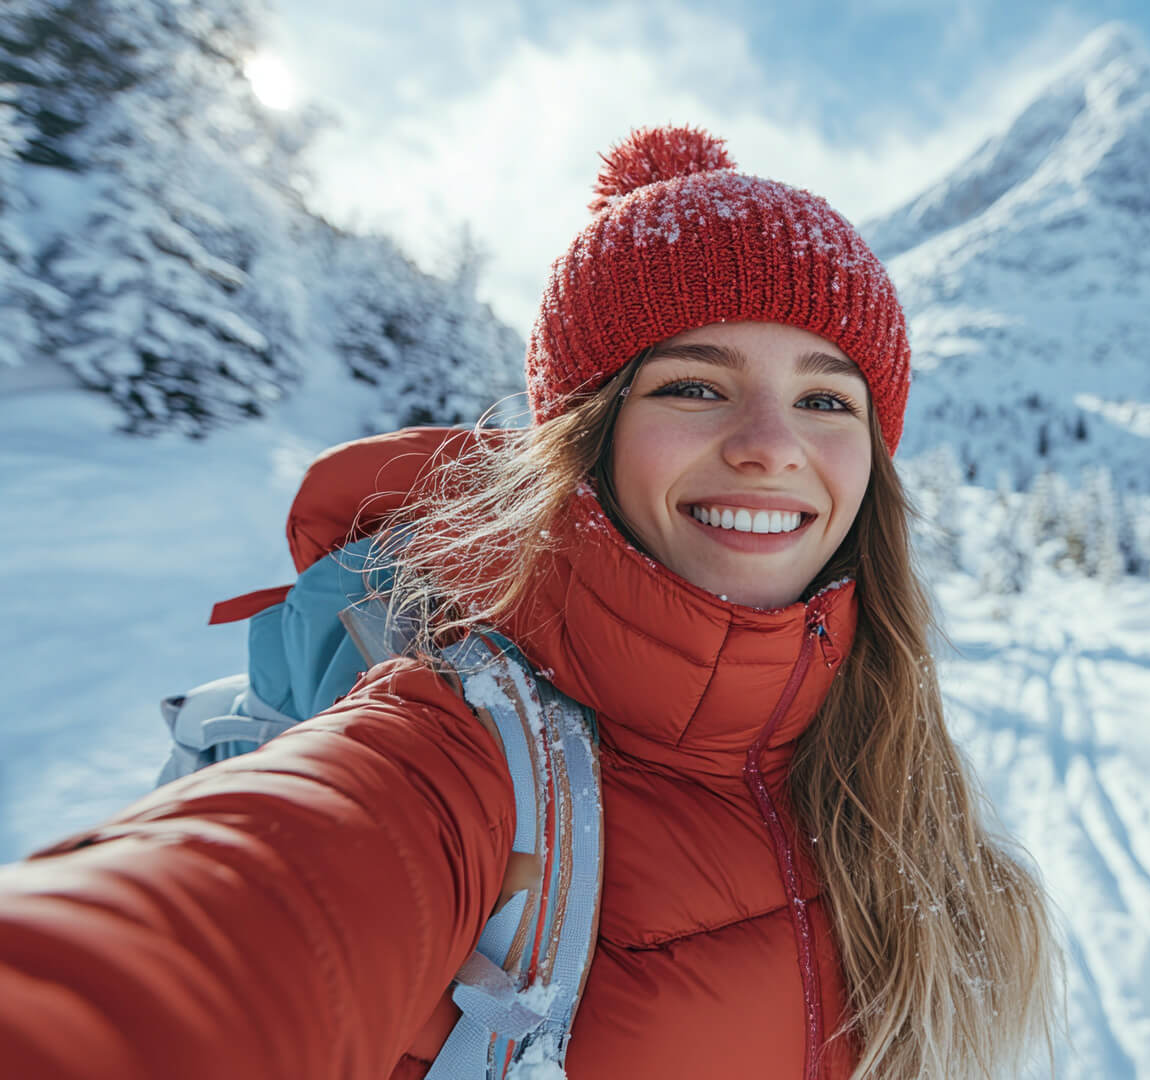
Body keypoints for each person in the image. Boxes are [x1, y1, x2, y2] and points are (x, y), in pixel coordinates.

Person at [0, 126, 1058, 1080]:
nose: (772, 446)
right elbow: (209, 933)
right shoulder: (461, 752)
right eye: (694, 384)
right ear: (586, 436)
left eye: (827, 399)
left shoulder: (887, 750)